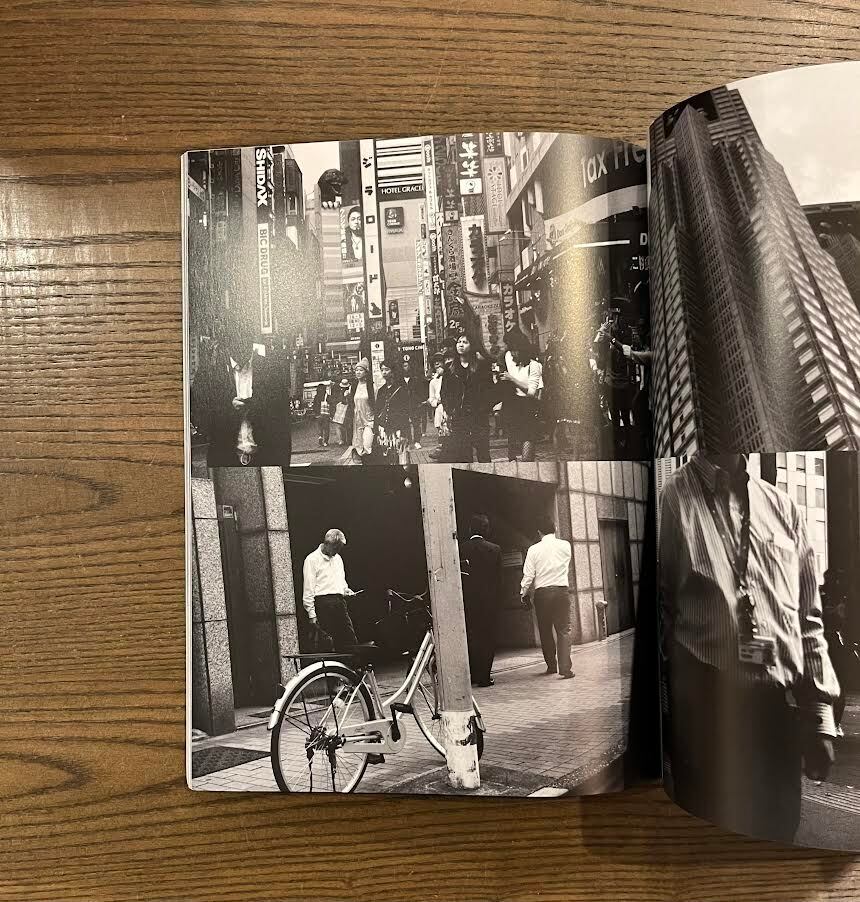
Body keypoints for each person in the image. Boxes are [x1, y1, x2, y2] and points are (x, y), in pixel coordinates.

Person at [659, 453, 839, 843]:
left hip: (776, 709)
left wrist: (819, 717)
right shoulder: (675, 495)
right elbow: (664, 611)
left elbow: (807, 619)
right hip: (707, 708)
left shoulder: (782, 506)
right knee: (711, 841)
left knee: (778, 835)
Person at [190, 312, 291, 466]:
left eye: (245, 338)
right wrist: (229, 409)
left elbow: (282, 422)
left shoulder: (271, 370)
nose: (241, 345)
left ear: (252, 339)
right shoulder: (209, 373)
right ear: (227, 342)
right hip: (225, 459)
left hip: (266, 458)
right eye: (235, 339)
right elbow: (200, 418)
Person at [521, 515, 574, 679]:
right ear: (555, 528)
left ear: (539, 532)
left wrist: (523, 593)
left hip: (542, 594)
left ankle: (551, 665)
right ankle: (565, 668)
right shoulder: (565, 546)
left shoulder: (533, 549)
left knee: (545, 630)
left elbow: (529, 575)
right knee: (563, 629)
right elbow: (566, 566)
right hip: (561, 591)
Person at [459, 514, 502, 687]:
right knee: (488, 637)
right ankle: (485, 675)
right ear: (486, 529)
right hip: (489, 602)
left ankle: (474, 674)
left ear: (470, 529)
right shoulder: (495, 549)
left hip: (468, 601)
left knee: (471, 636)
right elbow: (499, 580)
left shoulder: (461, 549)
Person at [440, 332, 496, 463]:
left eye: (465, 342)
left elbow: (490, 391)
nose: (461, 345)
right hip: (459, 417)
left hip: (478, 417)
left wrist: (484, 409)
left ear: (472, 346)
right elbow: (444, 392)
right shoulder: (450, 368)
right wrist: (450, 410)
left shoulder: (481, 367)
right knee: (463, 455)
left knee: (483, 454)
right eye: (459, 342)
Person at [302, 529, 359, 651]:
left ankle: (352, 663)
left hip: (339, 602)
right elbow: (308, 589)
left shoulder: (338, 558)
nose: (337, 552)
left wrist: (346, 590)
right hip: (323, 604)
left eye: (339, 549)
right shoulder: (312, 559)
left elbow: (341, 581)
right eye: (335, 548)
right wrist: (311, 614)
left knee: (349, 639)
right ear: (327, 544)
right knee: (329, 643)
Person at [499, 328, 543, 462]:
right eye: (510, 350)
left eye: (514, 350)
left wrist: (512, 379)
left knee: (527, 439)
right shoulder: (510, 358)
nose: (511, 353)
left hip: (528, 406)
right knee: (512, 441)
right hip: (513, 405)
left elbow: (531, 392)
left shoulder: (534, 365)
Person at [375, 360, 411, 464]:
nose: (384, 372)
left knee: (401, 459)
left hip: (398, 430)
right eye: (382, 370)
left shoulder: (401, 389)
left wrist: (404, 433)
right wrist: (377, 431)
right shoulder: (381, 390)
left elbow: (405, 412)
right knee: (386, 458)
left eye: (386, 369)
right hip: (384, 430)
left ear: (393, 371)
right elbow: (377, 411)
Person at [341, 358, 375, 463]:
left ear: (366, 372)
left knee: (368, 444)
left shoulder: (371, 386)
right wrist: (347, 396)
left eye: (361, 370)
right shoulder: (354, 386)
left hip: (369, 419)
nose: (358, 372)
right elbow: (351, 403)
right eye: (356, 370)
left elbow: (376, 402)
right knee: (359, 446)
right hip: (357, 420)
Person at [401, 356, 428, 450]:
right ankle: (409, 441)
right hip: (404, 405)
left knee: (416, 423)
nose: (406, 368)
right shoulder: (399, 380)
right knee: (405, 424)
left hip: (415, 405)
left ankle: (417, 441)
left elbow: (420, 391)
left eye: (408, 366)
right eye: (404, 366)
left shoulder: (415, 379)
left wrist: (420, 402)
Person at [331, 378, 353, 447]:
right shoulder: (349, 391)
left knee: (338, 425)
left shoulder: (342, 392)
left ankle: (341, 440)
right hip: (346, 409)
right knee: (345, 425)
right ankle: (346, 439)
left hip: (341, 409)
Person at [312, 383, 332, 448]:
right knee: (326, 428)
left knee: (320, 427)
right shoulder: (328, 396)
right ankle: (325, 442)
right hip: (326, 414)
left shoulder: (316, 397)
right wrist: (331, 415)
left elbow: (314, 406)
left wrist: (316, 413)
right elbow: (331, 405)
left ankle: (320, 436)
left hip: (319, 415)